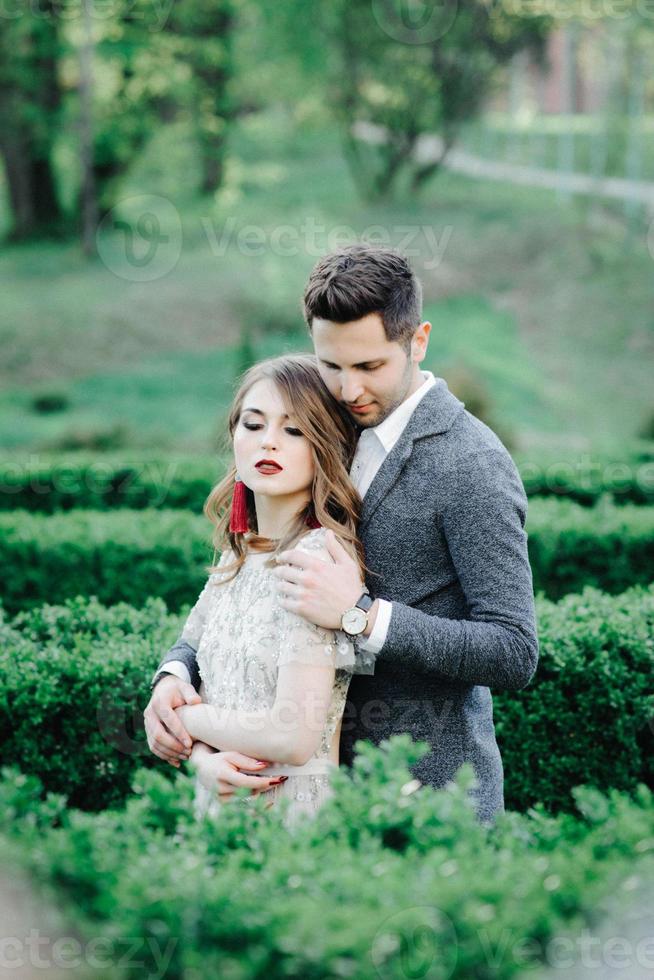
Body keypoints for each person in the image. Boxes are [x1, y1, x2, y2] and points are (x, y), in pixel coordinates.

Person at [147, 245, 539, 825]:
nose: (349, 389)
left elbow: (513, 651)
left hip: (426, 803)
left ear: (418, 341)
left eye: (371, 366)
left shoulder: (472, 463)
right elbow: (241, 593)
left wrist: (361, 614)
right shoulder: (319, 428)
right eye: (331, 365)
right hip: (298, 795)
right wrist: (175, 677)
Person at [144, 353, 375, 829]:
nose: (268, 442)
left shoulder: (317, 561)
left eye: (294, 431)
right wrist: (202, 760)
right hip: (219, 804)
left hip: (292, 813)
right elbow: (204, 673)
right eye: (253, 425)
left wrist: (184, 723)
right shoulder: (236, 556)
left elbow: (291, 734)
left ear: (325, 446)